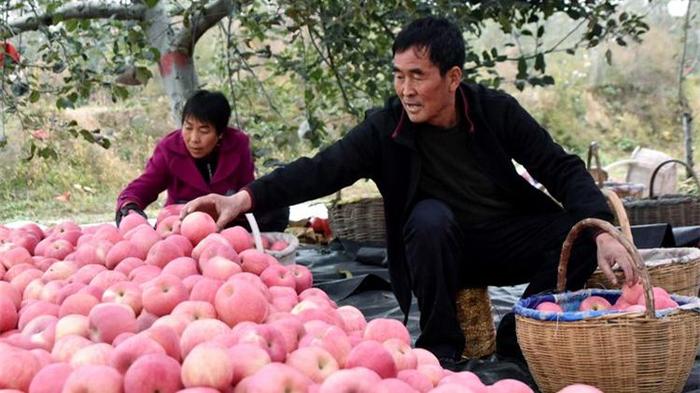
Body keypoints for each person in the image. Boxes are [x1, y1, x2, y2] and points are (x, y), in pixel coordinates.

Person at [180, 18, 636, 368]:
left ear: (453, 77)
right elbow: (321, 169)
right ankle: (440, 349)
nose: (406, 90)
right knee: (429, 217)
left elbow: (560, 167)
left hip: (506, 237)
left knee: (578, 232)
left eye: (418, 76)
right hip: (441, 251)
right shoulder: (387, 128)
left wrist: (605, 230)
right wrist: (241, 199)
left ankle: (519, 334)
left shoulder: (495, 112)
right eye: (399, 76)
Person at [116, 89, 288, 232]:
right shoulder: (169, 148)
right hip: (181, 225)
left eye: (204, 131)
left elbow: (247, 189)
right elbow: (145, 185)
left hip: (227, 223)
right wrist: (129, 206)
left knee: (276, 208)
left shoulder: (237, 144)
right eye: (188, 127)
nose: (193, 139)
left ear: (220, 133)